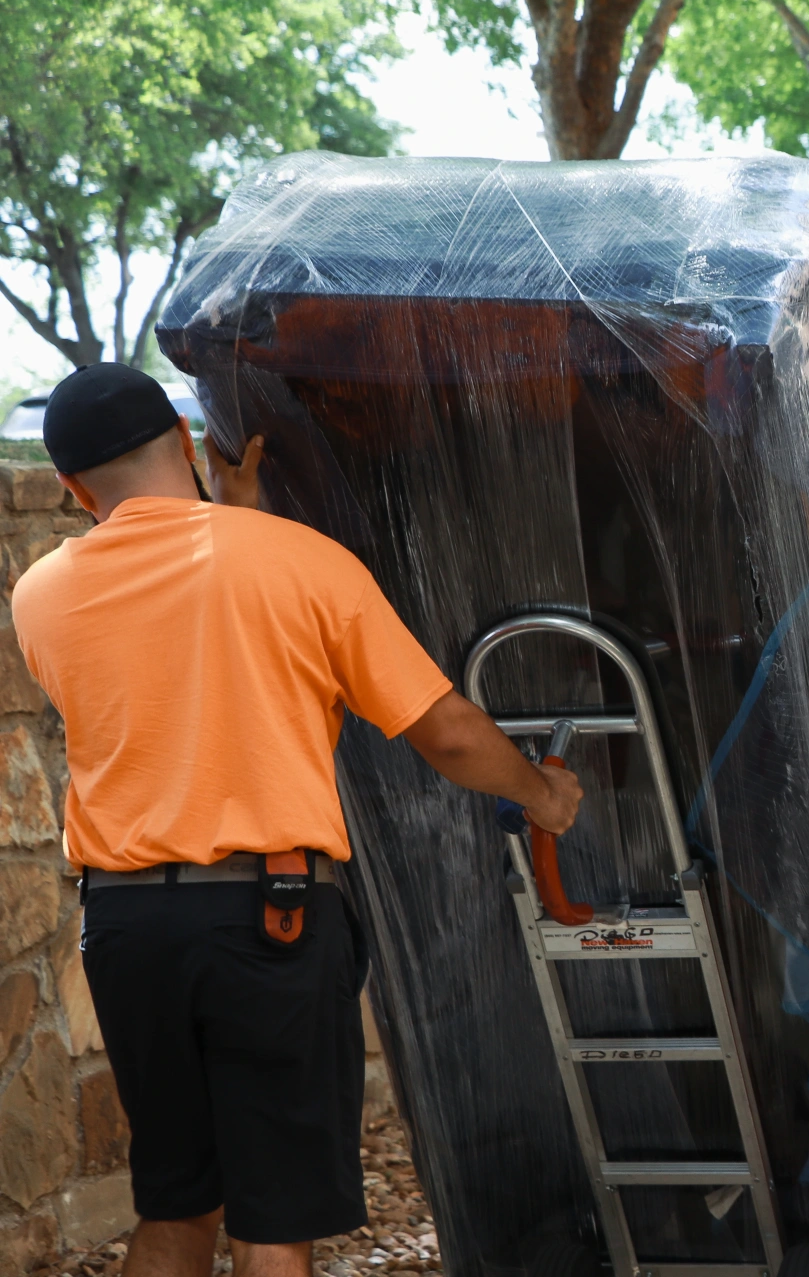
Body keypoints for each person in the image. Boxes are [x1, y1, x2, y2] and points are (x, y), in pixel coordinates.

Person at [12, 364, 584, 1277]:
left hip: (127, 930)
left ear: (74, 491)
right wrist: (540, 792)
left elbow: (176, 631)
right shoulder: (301, 562)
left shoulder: (39, 597)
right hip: (267, 922)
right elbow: (446, 733)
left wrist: (234, 522)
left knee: (175, 1206)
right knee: (271, 1220)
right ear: (194, 448)